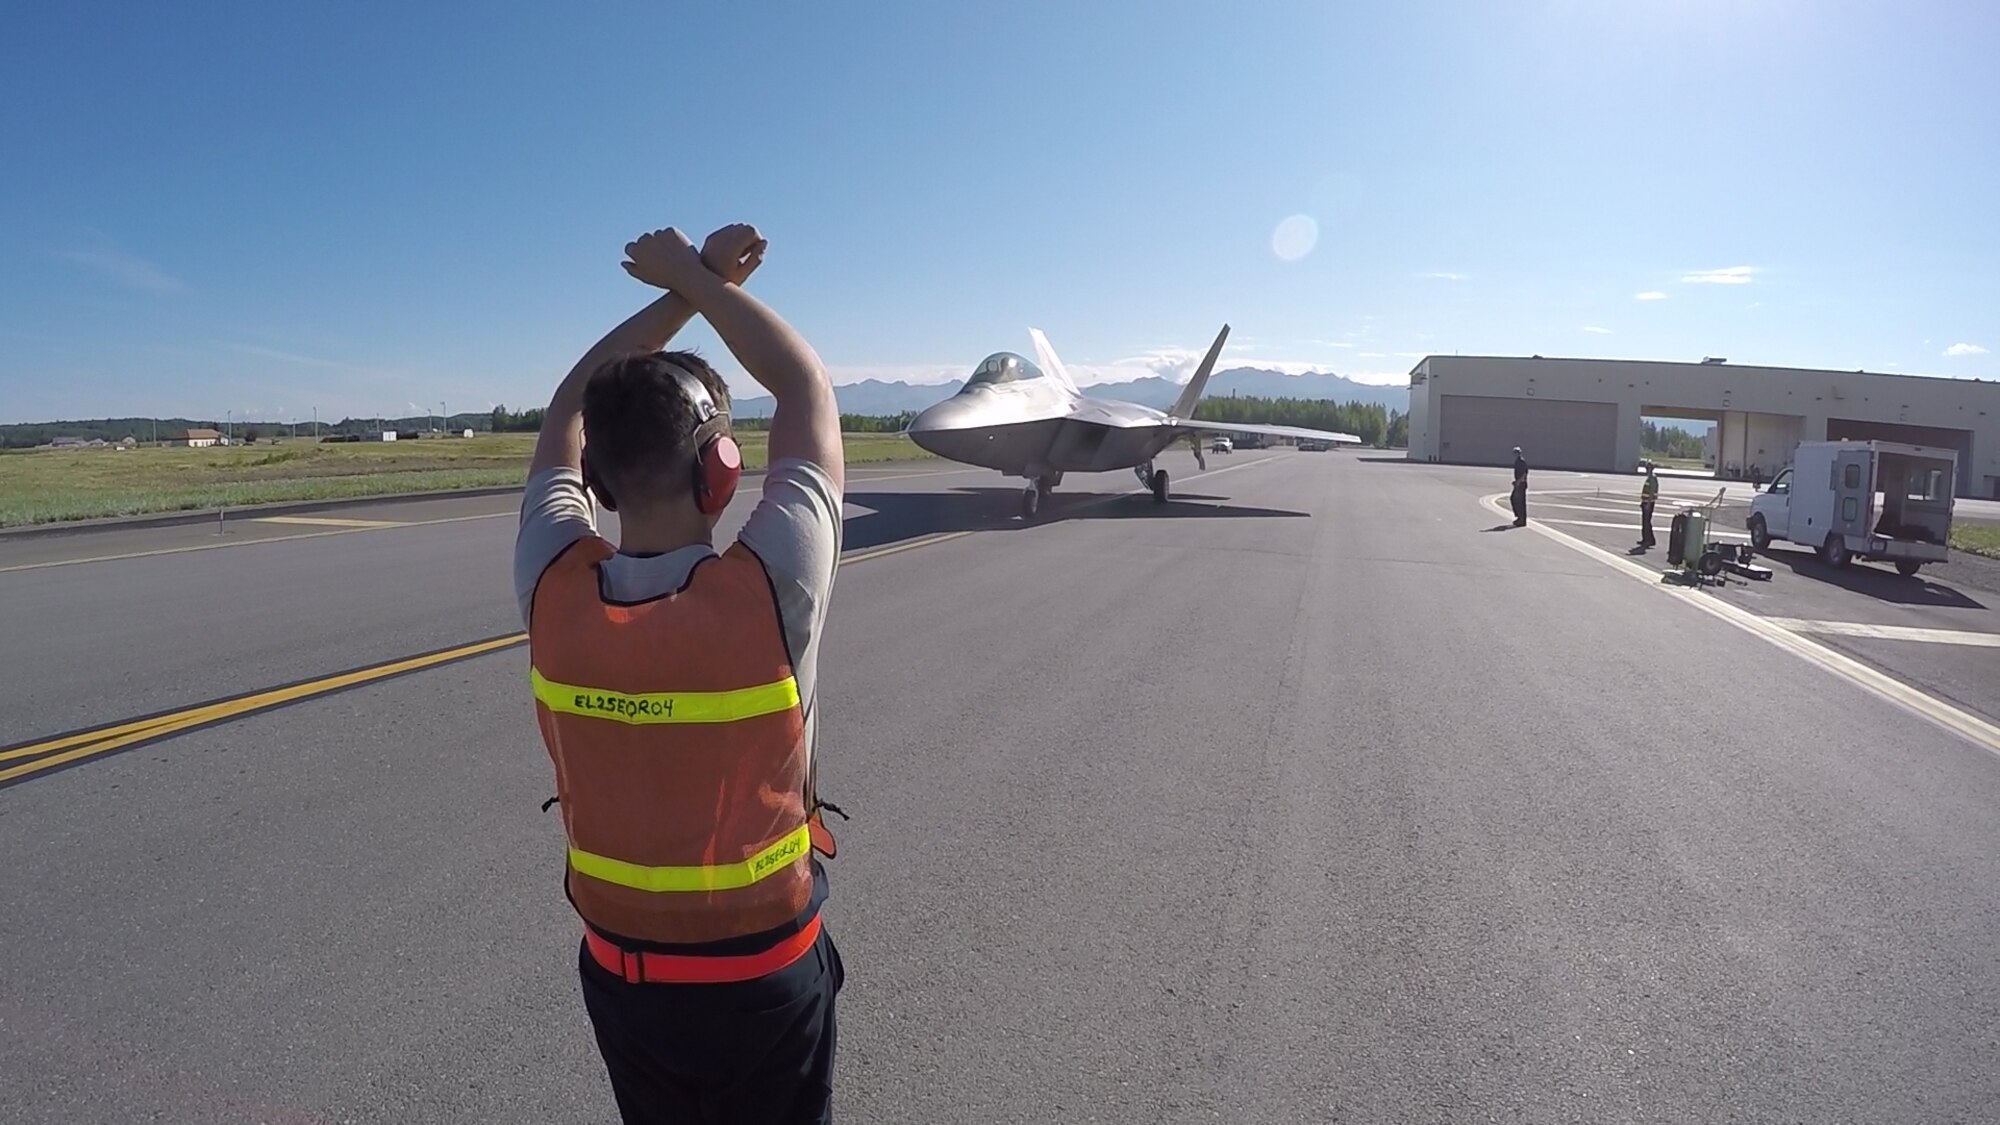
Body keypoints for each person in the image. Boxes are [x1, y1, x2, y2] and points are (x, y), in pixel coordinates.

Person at [512, 222, 848, 1124]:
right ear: (721, 472)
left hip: (626, 976)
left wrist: (677, 287)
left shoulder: (553, 582)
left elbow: (560, 413)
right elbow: (805, 384)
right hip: (764, 975)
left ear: (600, 484)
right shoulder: (770, 587)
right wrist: (696, 282)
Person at [1638, 461, 1659, 549]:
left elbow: (1651, 492)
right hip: (1645, 502)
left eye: (1648, 468)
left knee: (1647, 522)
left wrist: (1648, 504)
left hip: (1648, 503)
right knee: (1645, 522)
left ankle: (1649, 540)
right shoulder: (1649, 478)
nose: (1646, 470)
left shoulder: (1652, 478)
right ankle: (1645, 539)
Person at [1510, 446, 1528, 526]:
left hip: (1521, 484)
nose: (1515, 454)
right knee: (1515, 500)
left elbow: (1524, 473)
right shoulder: (1518, 461)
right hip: (1518, 483)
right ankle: (1519, 517)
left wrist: (1518, 482)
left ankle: (1521, 519)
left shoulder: (1521, 461)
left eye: (1516, 452)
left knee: (1519, 502)